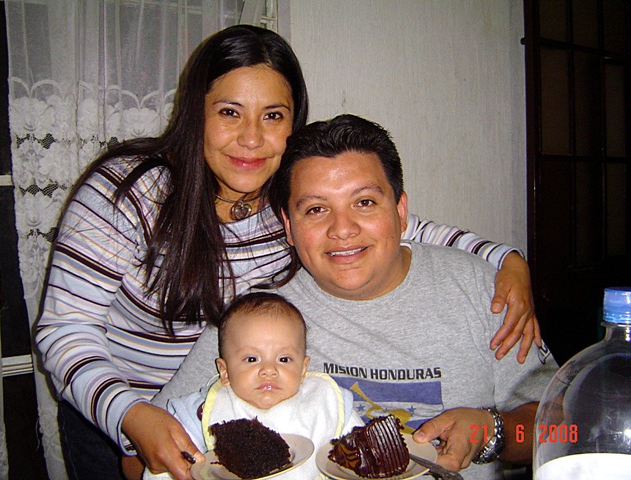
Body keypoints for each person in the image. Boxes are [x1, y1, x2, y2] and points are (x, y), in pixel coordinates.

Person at [35, 25, 537, 480]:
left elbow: (395, 229)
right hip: (115, 402)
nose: (251, 137)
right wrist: (129, 414)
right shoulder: (132, 193)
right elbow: (65, 328)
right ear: (196, 114)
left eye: (273, 115)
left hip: (235, 386)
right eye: (229, 112)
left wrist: (506, 261)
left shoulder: (291, 203)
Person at [156, 114, 559, 480]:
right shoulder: (256, 316)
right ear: (289, 227)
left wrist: (493, 431)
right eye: (316, 209)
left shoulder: (481, 290)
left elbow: (564, 427)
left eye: (364, 202)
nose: (342, 229)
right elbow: (146, 449)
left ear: (400, 211)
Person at [143, 291, 363, 480]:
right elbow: (166, 461)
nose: (269, 369)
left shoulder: (324, 401)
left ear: (303, 369)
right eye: (251, 359)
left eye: (284, 359)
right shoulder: (201, 412)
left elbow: (364, 453)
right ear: (225, 371)